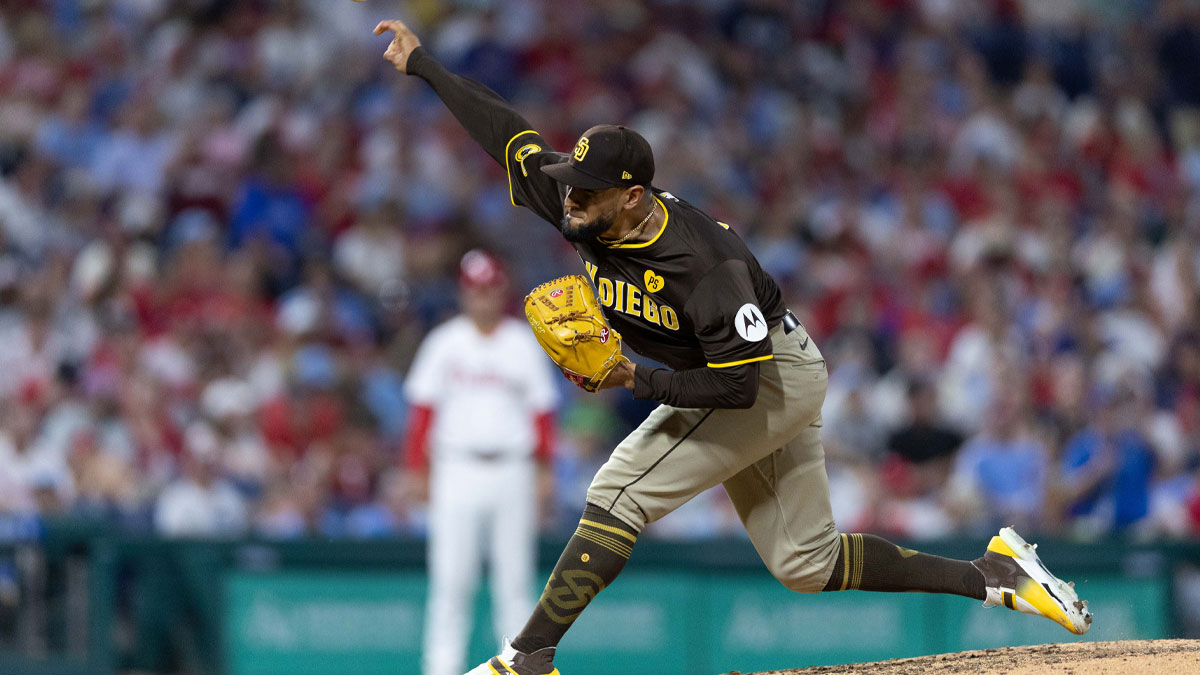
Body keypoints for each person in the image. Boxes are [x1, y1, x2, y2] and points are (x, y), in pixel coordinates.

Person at [372, 19, 1092, 675]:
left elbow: (741, 388)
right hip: (752, 377)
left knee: (617, 490)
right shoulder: (586, 206)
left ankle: (527, 657)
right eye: (570, 188)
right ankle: (994, 574)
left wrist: (634, 377)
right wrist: (424, 65)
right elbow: (509, 135)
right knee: (805, 561)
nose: (568, 201)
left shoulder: (703, 264)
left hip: (762, 375)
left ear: (631, 197)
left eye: (584, 193)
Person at [403, 250, 559, 675]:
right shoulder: (444, 343)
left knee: (515, 585)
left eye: (490, 289)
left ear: (501, 291)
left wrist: (545, 470)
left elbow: (542, 413)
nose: (483, 298)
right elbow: (422, 414)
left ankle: (520, 671)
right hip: (457, 469)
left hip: (514, 469)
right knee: (452, 583)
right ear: (464, 293)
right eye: (476, 290)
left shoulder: (522, 342)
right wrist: (417, 469)